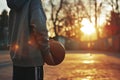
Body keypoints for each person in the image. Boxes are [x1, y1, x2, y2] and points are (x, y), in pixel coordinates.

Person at [7, 0, 54, 80]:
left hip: (17, 61)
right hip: (33, 61)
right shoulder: (34, 1)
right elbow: (39, 27)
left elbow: (11, 32)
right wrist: (46, 52)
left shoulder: (13, 7)